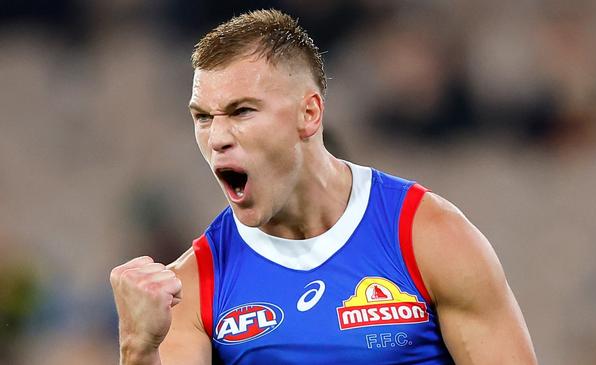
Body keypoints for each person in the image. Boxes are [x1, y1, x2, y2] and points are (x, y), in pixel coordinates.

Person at [110, 9, 537, 365]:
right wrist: (138, 349)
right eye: (203, 117)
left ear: (309, 113)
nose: (216, 137)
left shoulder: (428, 236)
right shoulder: (197, 283)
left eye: (241, 111)